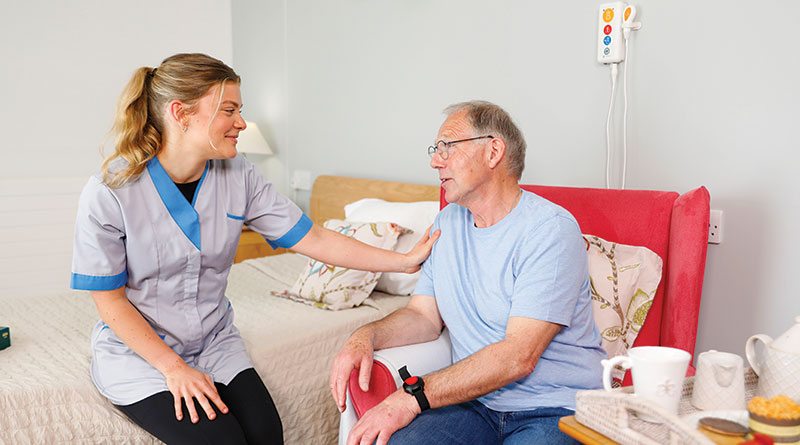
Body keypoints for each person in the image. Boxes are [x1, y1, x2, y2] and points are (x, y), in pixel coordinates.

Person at [70, 53, 439, 445]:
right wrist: (173, 368)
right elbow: (109, 301)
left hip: (213, 343)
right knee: (220, 440)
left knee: (267, 434)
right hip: (142, 356)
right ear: (181, 113)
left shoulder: (238, 174)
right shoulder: (111, 190)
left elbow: (314, 238)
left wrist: (403, 261)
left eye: (240, 111)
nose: (242, 123)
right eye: (229, 110)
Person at [330, 100, 607, 445]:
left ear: (493, 152)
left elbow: (518, 357)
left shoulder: (550, 229)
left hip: (555, 407)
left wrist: (412, 397)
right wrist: (365, 337)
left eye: (447, 146)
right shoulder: (447, 223)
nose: (435, 161)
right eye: (435, 149)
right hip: (476, 404)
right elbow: (423, 317)